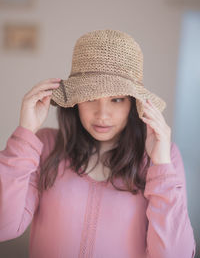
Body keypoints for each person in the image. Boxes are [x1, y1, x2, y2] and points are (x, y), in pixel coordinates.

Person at [0, 29, 196, 258]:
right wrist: (25, 134)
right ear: (75, 102)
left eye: (116, 99)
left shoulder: (164, 157)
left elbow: (174, 255)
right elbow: (4, 227)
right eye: (91, 97)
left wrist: (161, 166)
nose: (102, 114)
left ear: (133, 104)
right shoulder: (44, 145)